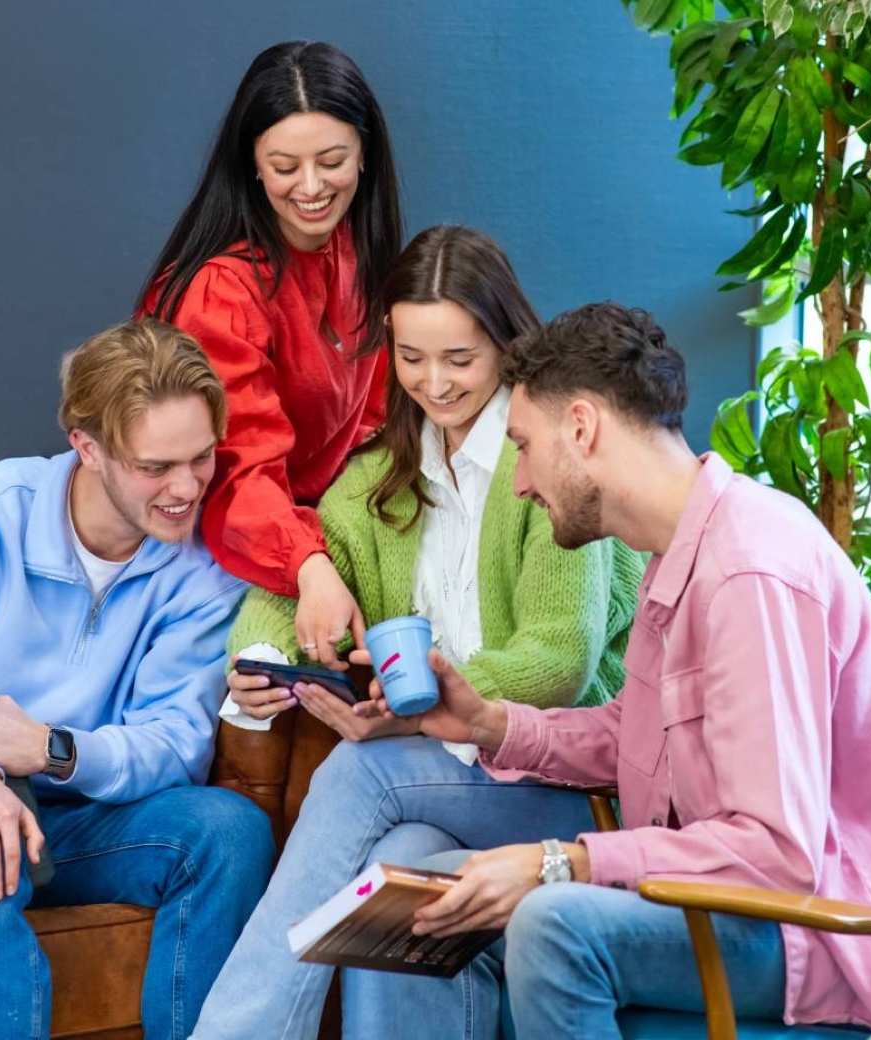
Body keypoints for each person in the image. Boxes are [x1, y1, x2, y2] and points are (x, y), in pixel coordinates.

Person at [353, 302, 871, 1037]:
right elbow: (632, 732)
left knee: (554, 922)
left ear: (581, 427)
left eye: (526, 446)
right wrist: (490, 723)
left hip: (812, 929)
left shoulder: (751, 568)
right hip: (717, 904)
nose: (519, 484)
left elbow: (776, 852)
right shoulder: (677, 556)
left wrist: (558, 862)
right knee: (423, 885)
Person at [191, 228, 644, 1039]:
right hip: (451, 787)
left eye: (459, 360)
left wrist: (420, 708)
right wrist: (263, 660)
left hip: (573, 784)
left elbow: (561, 663)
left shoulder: (551, 465)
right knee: (398, 867)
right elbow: (292, 581)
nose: (433, 383)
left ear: (508, 346)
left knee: (363, 778)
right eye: (410, 357)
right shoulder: (383, 473)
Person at [0, 319, 275, 1040]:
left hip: (67, 814)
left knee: (228, 831)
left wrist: (54, 749)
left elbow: (174, 742)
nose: (185, 488)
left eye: (201, 458)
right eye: (155, 467)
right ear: (87, 447)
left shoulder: (202, 569)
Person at [138, 40, 403, 666]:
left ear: (365, 155)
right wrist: (309, 566)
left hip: (325, 532)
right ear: (252, 165)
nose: (311, 187)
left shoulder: (357, 255)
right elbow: (233, 469)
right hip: (228, 553)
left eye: (332, 160)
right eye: (285, 166)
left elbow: (385, 418)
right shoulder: (220, 291)